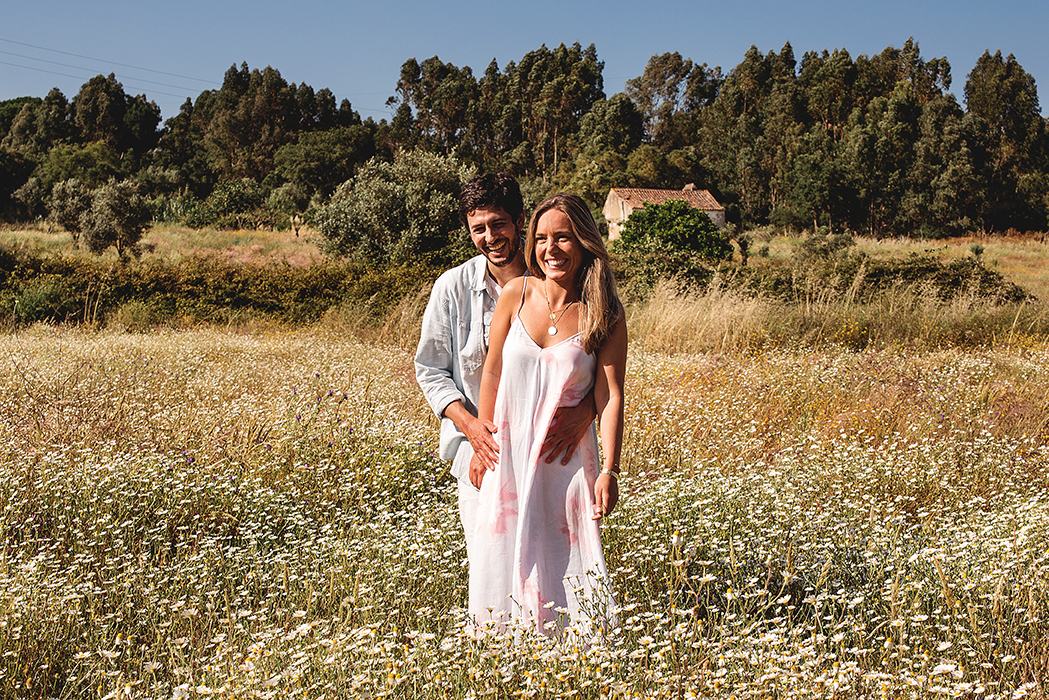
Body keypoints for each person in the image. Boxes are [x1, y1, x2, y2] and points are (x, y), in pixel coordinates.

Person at [415, 174, 596, 566]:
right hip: (483, 455)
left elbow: (598, 370)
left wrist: (586, 411)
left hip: (554, 452)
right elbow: (430, 369)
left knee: (558, 567)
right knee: (491, 565)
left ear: (520, 221)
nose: (490, 237)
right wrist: (473, 428)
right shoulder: (451, 288)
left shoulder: (560, 275)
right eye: (478, 229)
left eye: (498, 224)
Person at [468, 193, 626, 636]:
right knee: (499, 552)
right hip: (508, 457)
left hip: (565, 461)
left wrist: (610, 471)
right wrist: (482, 439)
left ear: (584, 241)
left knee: (566, 559)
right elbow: (492, 370)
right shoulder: (516, 294)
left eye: (563, 237)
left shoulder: (605, 313)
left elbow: (611, 395)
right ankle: (501, 651)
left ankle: (575, 659)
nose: (550, 249)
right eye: (541, 238)